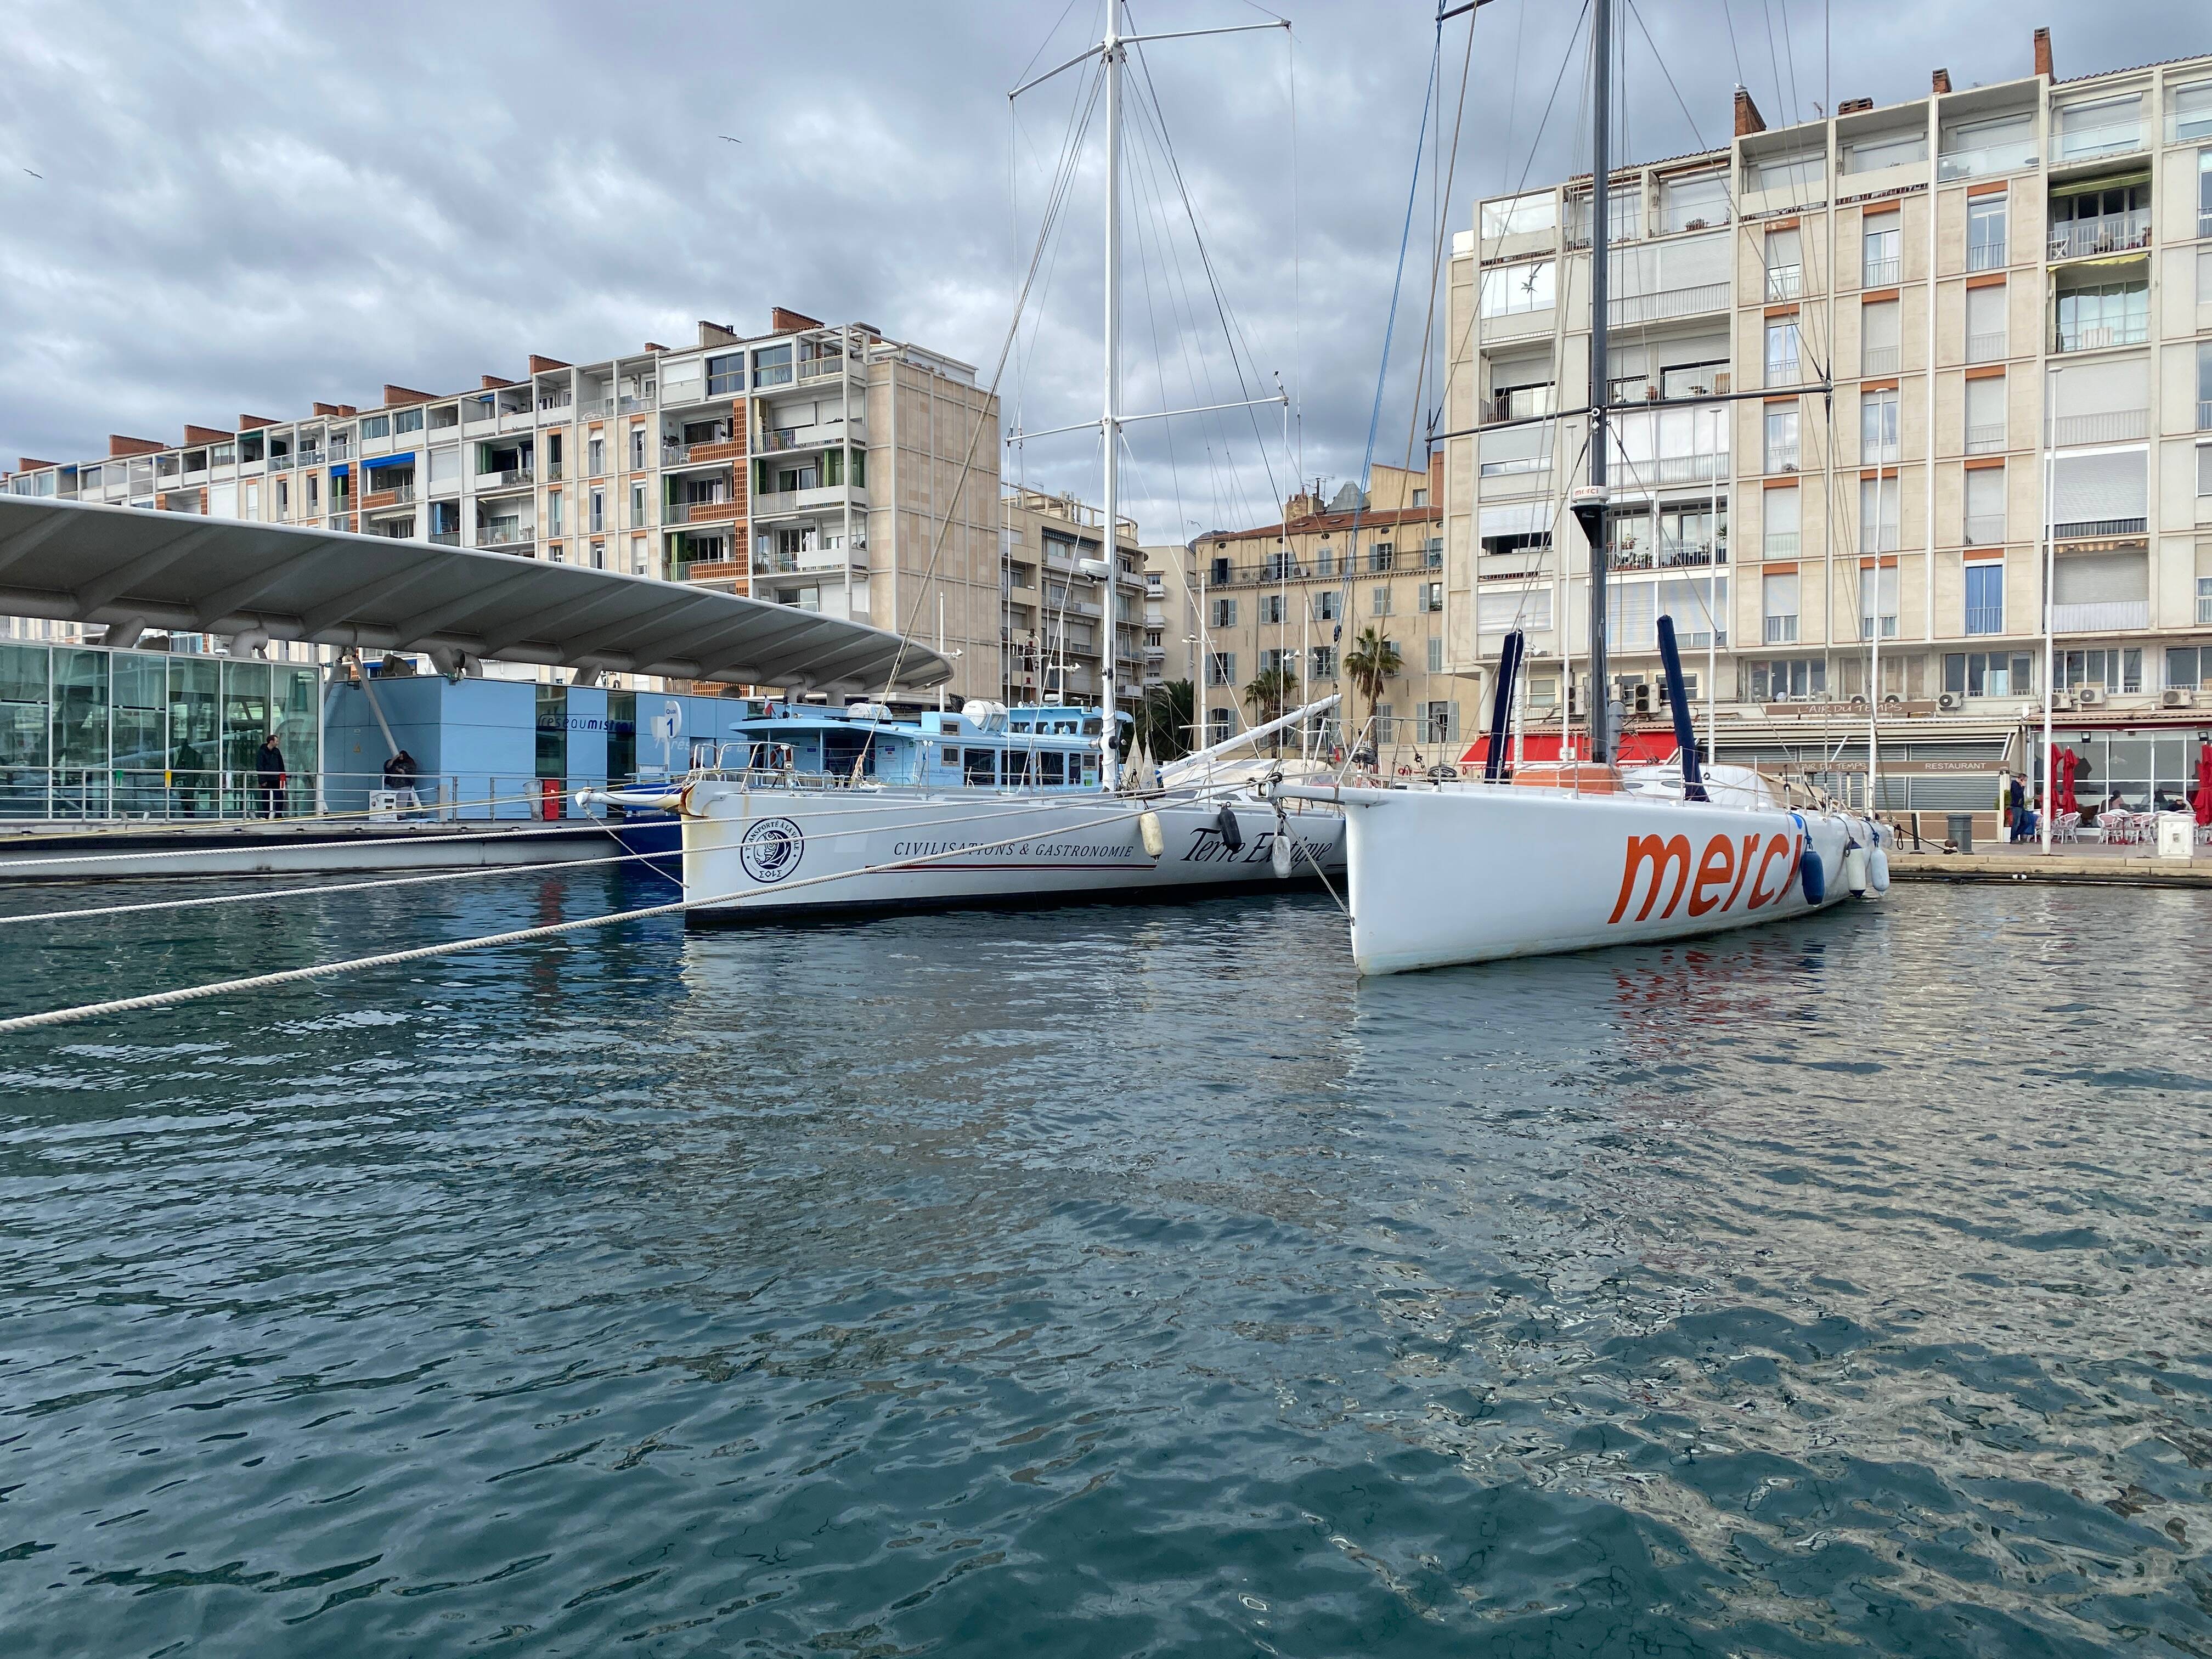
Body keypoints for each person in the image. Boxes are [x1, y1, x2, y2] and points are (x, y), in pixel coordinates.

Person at [255, 732, 286, 820]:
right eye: (276, 741)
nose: (278, 743)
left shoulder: (277, 752)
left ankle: (278, 815)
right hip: (267, 779)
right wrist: (262, 780)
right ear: (271, 742)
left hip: (276, 779)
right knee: (266, 798)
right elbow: (259, 766)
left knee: (280, 797)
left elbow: (281, 765)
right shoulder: (262, 752)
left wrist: (283, 779)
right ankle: (267, 815)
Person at [172, 736, 204, 819]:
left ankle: (189, 815)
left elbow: (198, 768)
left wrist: (193, 780)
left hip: (188, 781)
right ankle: (187, 815)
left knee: (187, 799)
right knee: (183, 799)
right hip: (184, 780)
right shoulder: (176, 752)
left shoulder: (191, 754)